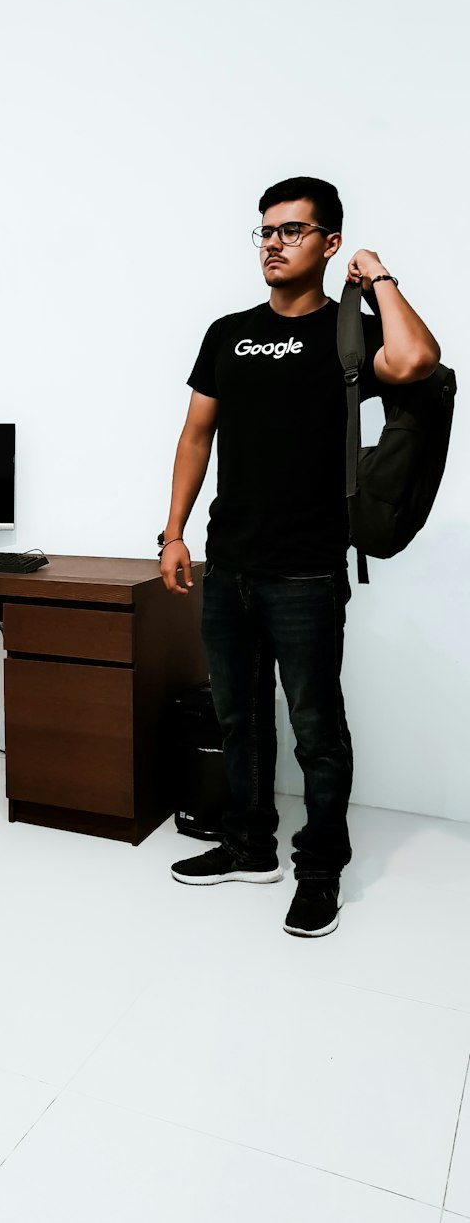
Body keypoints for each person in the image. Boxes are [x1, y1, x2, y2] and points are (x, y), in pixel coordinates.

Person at [159, 176, 440, 937]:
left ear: (329, 242)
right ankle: (249, 846)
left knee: (317, 728)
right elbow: (196, 436)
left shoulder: (347, 337)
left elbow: (418, 361)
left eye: (292, 229)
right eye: (265, 231)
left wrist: (378, 276)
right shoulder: (228, 332)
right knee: (239, 716)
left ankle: (319, 871)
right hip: (231, 564)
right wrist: (174, 531)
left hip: (308, 571)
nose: (273, 243)